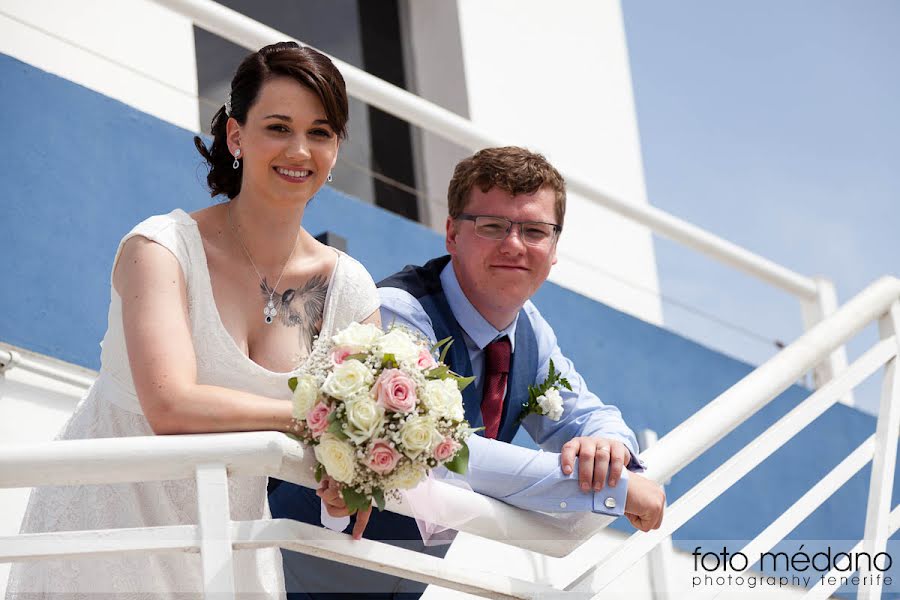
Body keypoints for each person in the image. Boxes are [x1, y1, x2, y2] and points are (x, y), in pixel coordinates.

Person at [5, 42, 381, 599]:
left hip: (231, 556)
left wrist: (345, 474)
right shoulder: (160, 248)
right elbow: (171, 406)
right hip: (102, 537)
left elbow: (354, 437)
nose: (299, 150)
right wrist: (311, 421)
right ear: (236, 136)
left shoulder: (351, 291)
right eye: (277, 127)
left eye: (320, 132)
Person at [271, 147, 665, 598]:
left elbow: (586, 413)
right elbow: (445, 452)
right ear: (452, 233)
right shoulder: (399, 312)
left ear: (554, 249)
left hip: (397, 581)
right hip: (290, 569)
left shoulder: (530, 331)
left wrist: (610, 449)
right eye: (492, 226)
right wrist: (607, 488)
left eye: (535, 230)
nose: (514, 245)